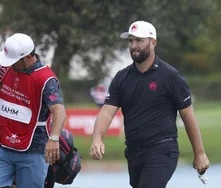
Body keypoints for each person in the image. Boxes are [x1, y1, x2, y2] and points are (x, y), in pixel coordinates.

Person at [89, 21, 210, 188]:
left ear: (153, 42)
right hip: (134, 151)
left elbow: (188, 116)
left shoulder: (171, 76)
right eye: (131, 41)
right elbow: (106, 112)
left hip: (163, 149)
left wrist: (199, 153)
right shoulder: (121, 78)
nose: (133, 46)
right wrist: (97, 138)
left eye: (139, 41)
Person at [0, 33, 66, 188]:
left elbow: (59, 111)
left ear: (27, 57)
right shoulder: (6, 68)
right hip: (1, 146)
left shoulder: (46, 79)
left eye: (13, 61)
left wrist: (54, 139)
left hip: (32, 151)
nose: (10, 64)